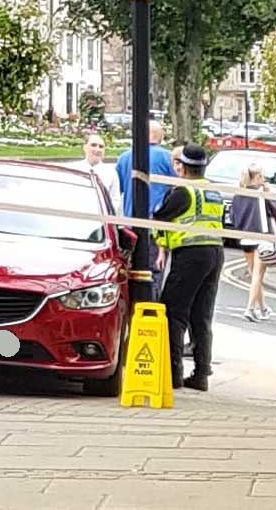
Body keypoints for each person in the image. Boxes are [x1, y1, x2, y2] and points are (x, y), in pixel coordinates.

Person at [153, 144, 224, 391]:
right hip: (215, 253)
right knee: (201, 316)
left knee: (173, 312)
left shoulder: (183, 192)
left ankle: (173, 374)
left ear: (182, 167)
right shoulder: (213, 191)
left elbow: (159, 219)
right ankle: (202, 374)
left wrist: (161, 245)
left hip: (190, 254)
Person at [116, 120, 176, 298]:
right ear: (160, 136)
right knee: (153, 273)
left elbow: (117, 188)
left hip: (129, 226)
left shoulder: (125, 157)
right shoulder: (167, 158)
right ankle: (149, 310)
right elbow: (177, 188)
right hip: (156, 227)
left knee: (128, 271)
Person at [232, 164, 276, 322]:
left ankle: (263, 308)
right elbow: (275, 210)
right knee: (258, 275)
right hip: (260, 236)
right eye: (262, 176)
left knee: (254, 276)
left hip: (245, 238)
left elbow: (233, 216)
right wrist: (268, 193)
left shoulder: (238, 193)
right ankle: (250, 308)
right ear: (257, 178)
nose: (264, 180)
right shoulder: (260, 194)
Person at [71, 132, 121, 214]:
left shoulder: (111, 172)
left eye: (101, 147)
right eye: (93, 145)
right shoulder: (74, 170)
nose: (97, 150)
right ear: (85, 147)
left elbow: (115, 198)